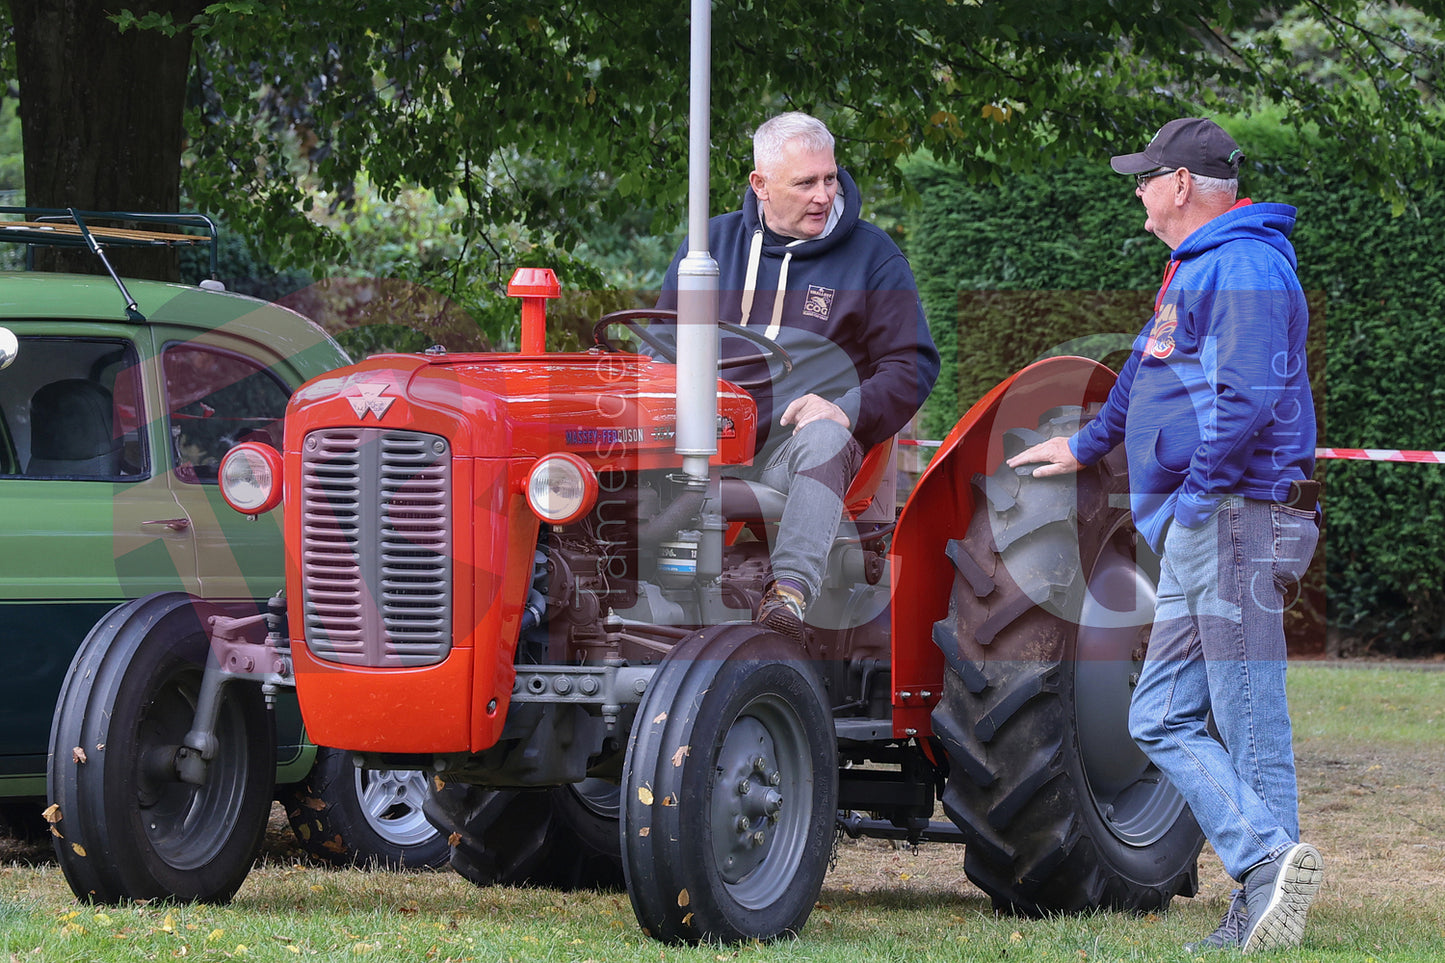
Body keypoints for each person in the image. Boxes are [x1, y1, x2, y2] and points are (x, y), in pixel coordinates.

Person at [1007, 118, 1322, 954]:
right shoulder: (1196, 264)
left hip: (1232, 515)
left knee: (1246, 715)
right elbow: (1145, 374)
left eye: (1144, 178)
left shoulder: (1244, 263)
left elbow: (1245, 399)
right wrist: (1084, 445)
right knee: (1158, 716)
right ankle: (1266, 866)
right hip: (1207, 519)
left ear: (1179, 184)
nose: (1138, 192)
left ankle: (1263, 895)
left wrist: (1195, 499)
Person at [656, 111, 939, 639]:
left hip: (791, 453)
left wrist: (844, 409)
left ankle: (787, 598)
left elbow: (914, 365)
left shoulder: (873, 258)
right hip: (700, 445)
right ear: (760, 184)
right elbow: (661, 348)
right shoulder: (707, 247)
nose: (823, 195)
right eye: (805, 183)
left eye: (830, 178)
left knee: (826, 436)